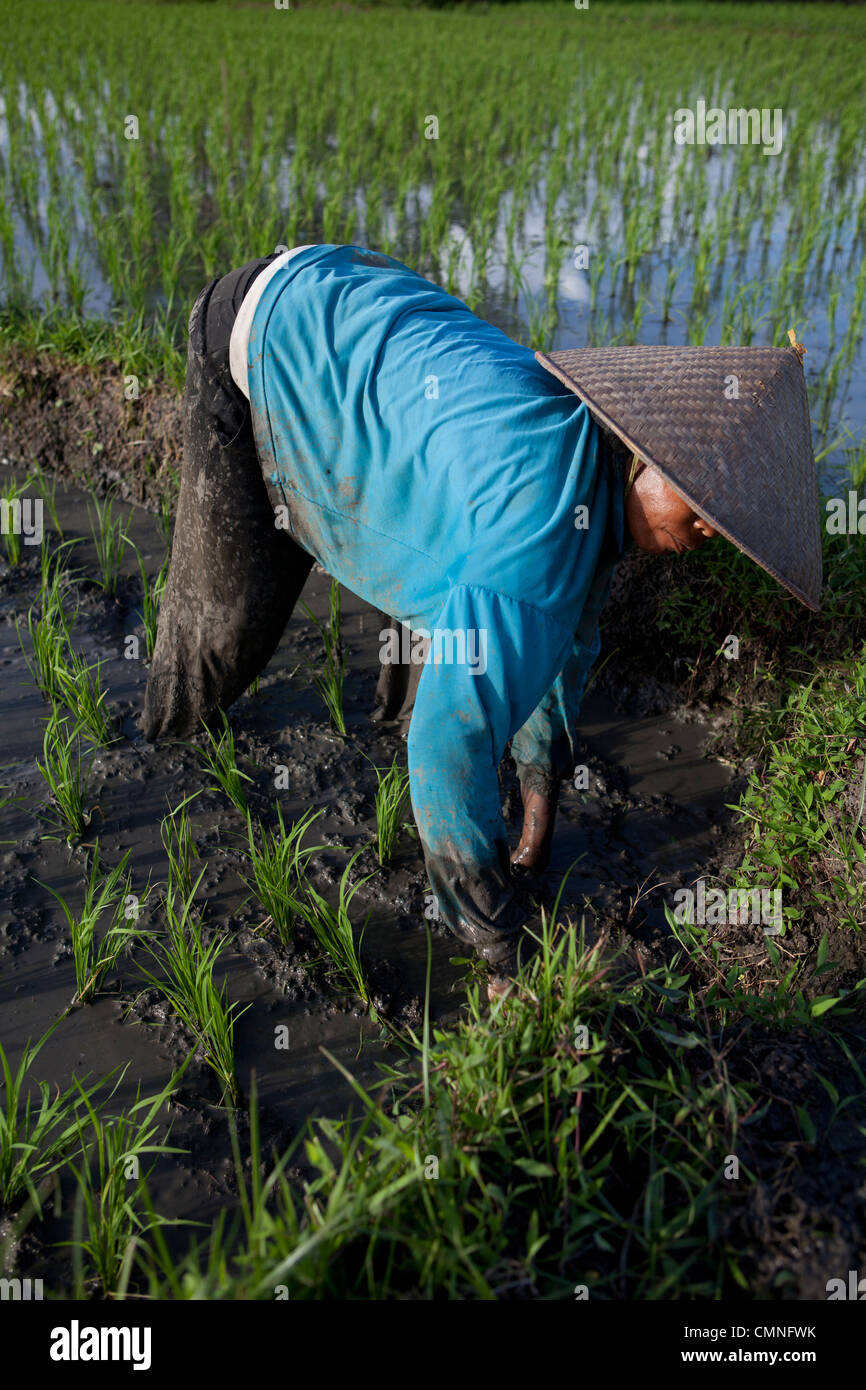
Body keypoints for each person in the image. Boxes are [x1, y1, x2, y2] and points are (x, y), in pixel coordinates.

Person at [142, 244, 822, 1001]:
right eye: (697, 503)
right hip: (268, 329)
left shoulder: (588, 478)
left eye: (720, 525)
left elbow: (565, 645)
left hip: (356, 306)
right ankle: (152, 774)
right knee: (225, 638)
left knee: (454, 602)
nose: (705, 532)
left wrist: (537, 816)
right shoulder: (537, 541)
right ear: (643, 453)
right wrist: (500, 939)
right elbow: (448, 741)